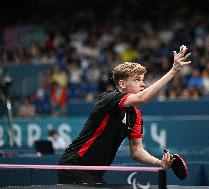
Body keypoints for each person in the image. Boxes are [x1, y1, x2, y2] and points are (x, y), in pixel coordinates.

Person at [58, 45, 191, 185]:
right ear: (122, 84)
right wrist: (173, 71)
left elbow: (137, 151)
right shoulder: (109, 99)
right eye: (137, 80)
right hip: (74, 166)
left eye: (142, 79)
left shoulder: (136, 115)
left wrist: (160, 162)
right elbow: (143, 98)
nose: (143, 84)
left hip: (95, 173)